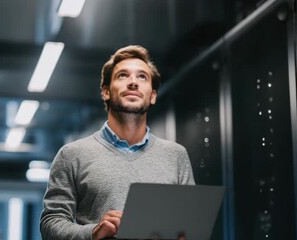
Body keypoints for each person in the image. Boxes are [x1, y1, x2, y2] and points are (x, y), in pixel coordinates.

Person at [40, 45, 195, 240]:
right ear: (106, 92)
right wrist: (93, 232)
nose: (133, 83)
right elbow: (50, 224)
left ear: (153, 96)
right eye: (123, 75)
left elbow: (189, 225)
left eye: (142, 77)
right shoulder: (72, 154)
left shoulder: (176, 155)